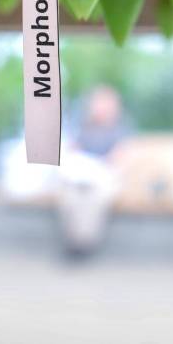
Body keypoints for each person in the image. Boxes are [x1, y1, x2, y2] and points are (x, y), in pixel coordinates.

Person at [56, 86, 132, 259]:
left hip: (106, 177)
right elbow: (73, 150)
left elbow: (119, 158)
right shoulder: (84, 127)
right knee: (70, 194)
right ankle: (74, 241)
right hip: (82, 175)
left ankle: (84, 243)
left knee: (95, 197)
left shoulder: (120, 129)